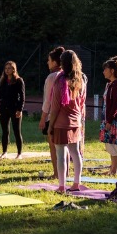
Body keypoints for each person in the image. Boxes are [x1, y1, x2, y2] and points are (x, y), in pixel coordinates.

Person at [49, 49, 86, 194]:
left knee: (61, 154)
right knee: (75, 152)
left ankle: (62, 186)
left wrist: (50, 125)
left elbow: (56, 106)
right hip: (76, 121)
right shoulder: (80, 80)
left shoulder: (60, 81)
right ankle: (77, 182)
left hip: (61, 123)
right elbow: (82, 102)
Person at [38, 46, 65, 179]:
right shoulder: (68, 75)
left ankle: (56, 173)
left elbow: (48, 100)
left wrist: (43, 118)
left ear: (55, 62)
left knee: (54, 147)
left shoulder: (52, 77)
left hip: (53, 117)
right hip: (67, 116)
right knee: (65, 147)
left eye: (49, 60)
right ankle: (64, 173)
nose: (47, 63)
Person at [0, 60, 26, 157]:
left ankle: (19, 153)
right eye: (5, 68)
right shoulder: (2, 81)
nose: (7, 70)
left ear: (13, 69)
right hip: (3, 109)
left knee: (17, 131)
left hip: (14, 109)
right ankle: (4, 152)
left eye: (9, 68)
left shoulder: (18, 81)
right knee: (5, 131)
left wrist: (20, 109)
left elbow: (22, 96)